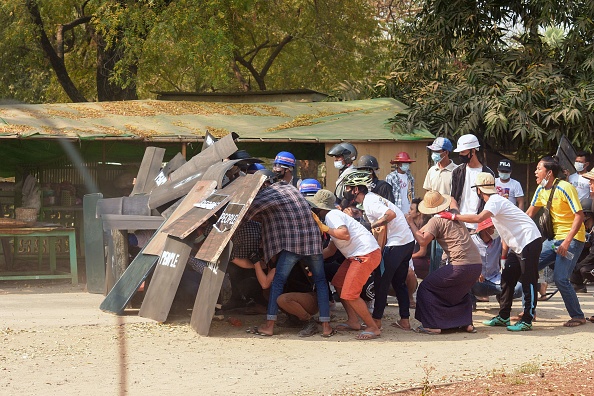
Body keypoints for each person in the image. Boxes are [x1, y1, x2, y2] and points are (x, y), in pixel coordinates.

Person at [440, 172, 542, 331]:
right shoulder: (495, 201)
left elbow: (479, 219)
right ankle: (503, 316)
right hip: (518, 244)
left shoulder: (494, 200)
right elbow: (501, 231)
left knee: (529, 280)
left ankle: (527, 319)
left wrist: (454, 217)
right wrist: (504, 256)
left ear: (479, 190)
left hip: (529, 240)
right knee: (507, 278)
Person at [243, 176, 333, 337]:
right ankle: (326, 327)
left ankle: (269, 326)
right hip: (313, 241)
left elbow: (246, 212)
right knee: (320, 281)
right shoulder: (290, 189)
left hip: (293, 244)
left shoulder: (267, 194)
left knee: (278, 282)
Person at [343, 171, 415, 332]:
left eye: (349, 187)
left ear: (356, 190)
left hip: (396, 244)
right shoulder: (372, 199)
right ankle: (405, 320)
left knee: (381, 282)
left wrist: (371, 226)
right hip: (407, 242)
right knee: (399, 283)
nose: (347, 190)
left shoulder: (370, 201)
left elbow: (390, 214)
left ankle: (376, 321)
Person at [308, 189, 382, 340]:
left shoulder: (331, 215)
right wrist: (311, 259)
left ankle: (373, 327)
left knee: (350, 294)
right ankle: (353, 321)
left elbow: (344, 234)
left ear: (319, 208)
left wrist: (324, 228)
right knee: (339, 283)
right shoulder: (334, 217)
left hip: (365, 254)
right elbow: (330, 249)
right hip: (358, 255)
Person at [407, 190, 482, 334]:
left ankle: (431, 325)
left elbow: (423, 240)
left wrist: (410, 222)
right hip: (476, 265)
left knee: (426, 287)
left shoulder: (436, 221)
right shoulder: (454, 214)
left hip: (460, 266)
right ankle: (466, 323)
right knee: (459, 291)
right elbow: (453, 199)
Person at [525, 156, 587, 327]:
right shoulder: (541, 189)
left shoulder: (565, 187)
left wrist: (566, 242)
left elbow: (579, 216)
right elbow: (529, 214)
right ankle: (528, 312)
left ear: (549, 173)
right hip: (553, 239)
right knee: (527, 268)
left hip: (572, 238)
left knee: (560, 278)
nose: (536, 172)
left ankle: (578, 316)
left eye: (539, 168)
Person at [468, 218, 522, 308]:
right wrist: (474, 271)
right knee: (465, 279)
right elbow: (464, 261)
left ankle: (502, 297)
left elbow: (509, 255)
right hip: (477, 282)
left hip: (495, 278)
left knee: (518, 288)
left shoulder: (499, 240)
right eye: (494, 227)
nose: (497, 230)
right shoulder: (470, 241)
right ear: (486, 229)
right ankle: (470, 300)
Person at [450, 134, 494, 230]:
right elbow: (453, 197)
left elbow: (490, 201)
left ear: (473, 151)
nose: (461, 155)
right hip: (460, 223)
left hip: (479, 225)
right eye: (460, 152)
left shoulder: (488, 173)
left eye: (463, 152)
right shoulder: (457, 172)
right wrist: (456, 215)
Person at [569, 197, 594, 293]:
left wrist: (579, 266)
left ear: (588, 215)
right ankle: (578, 285)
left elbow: (593, 254)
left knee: (584, 270)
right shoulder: (587, 229)